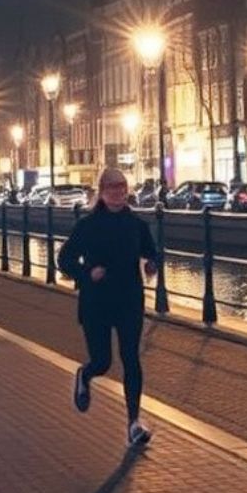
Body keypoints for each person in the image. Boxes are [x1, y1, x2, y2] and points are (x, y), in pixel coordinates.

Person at [57, 166, 158, 448]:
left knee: (131, 359)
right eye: (112, 188)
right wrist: (87, 273)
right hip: (97, 301)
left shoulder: (137, 225)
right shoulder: (88, 226)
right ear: (101, 193)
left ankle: (134, 423)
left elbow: (151, 253)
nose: (118, 193)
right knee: (103, 361)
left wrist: (151, 265)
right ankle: (85, 375)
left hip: (128, 299)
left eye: (122, 188)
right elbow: (64, 259)